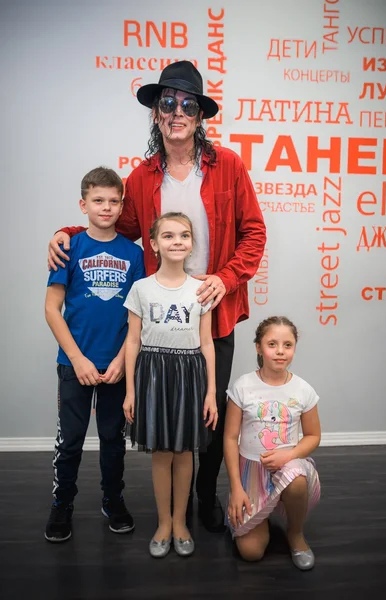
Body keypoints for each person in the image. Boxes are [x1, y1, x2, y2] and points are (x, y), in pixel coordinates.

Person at [47, 60, 267, 533]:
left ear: (199, 115)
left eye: (187, 105)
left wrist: (226, 278)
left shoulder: (228, 165)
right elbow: (115, 227)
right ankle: (169, 513)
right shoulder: (142, 177)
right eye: (168, 103)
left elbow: (254, 233)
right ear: (156, 113)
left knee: (210, 411)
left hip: (213, 313)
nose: (177, 112)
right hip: (159, 320)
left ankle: (204, 498)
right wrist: (68, 233)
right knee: (169, 416)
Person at [44, 167, 145, 543]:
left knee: (112, 440)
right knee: (70, 441)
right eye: (98, 200)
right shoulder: (69, 247)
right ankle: (62, 505)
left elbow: (138, 317)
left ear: (122, 205)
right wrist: (77, 358)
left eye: (114, 201)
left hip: (117, 364)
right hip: (75, 364)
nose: (106, 207)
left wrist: (121, 360)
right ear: (83, 204)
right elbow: (52, 309)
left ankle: (112, 500)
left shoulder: (134, 254)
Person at [123, 212, 218, 558]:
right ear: (153, 244)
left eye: (184, 235)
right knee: (162, 453)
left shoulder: (200, 290)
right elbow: (133, 341)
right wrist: (131, 390)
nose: (177, 241)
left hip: (189, 374)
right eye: (168, 236)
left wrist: (211, 391)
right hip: (153, 373)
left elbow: (206, 342)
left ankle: (180, 522)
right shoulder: (141, 289)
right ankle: (163, 523)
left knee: (184, 451)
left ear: (192, 244)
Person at [224, 316, 321, 570]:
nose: (280, 351)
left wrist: (289, 455)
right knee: (250, 552)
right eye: (272, 344)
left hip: (287, 468)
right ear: (258, 347)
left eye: (287, 345)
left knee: (296, 478)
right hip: (251, 472)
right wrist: (236, 487)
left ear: (294, 348)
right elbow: (230, 438)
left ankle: (295, 533)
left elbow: (313, 436)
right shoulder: (243, 386)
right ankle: (261, 513)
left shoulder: (303, 390)